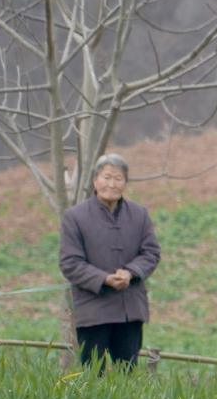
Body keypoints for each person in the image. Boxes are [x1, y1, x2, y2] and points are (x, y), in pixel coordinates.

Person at [58, 154, 162, 373]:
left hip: (130, 310)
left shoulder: (139, 214)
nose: (112, 184)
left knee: (127, 375)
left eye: (118, 178)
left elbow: (151, 253)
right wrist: (104, 279)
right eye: (106, 177)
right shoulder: (75, 217)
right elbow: (70, 262)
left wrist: (131, 273)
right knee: (92, 375)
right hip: (93, 310)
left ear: (125, 183)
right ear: (95, 181)